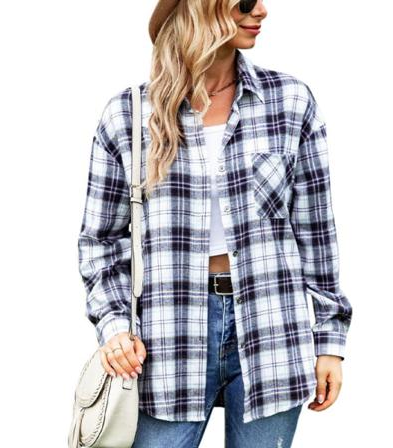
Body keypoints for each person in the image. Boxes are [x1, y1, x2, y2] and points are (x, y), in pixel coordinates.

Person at [77, 0, 353, 446]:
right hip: (165, 341)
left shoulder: (289, 102)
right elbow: (100, 240)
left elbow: (316, 231)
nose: (261, 10)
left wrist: (330, 342)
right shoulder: (128, 115)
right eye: (244, 1)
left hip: (273, 330)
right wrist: (114, 327)